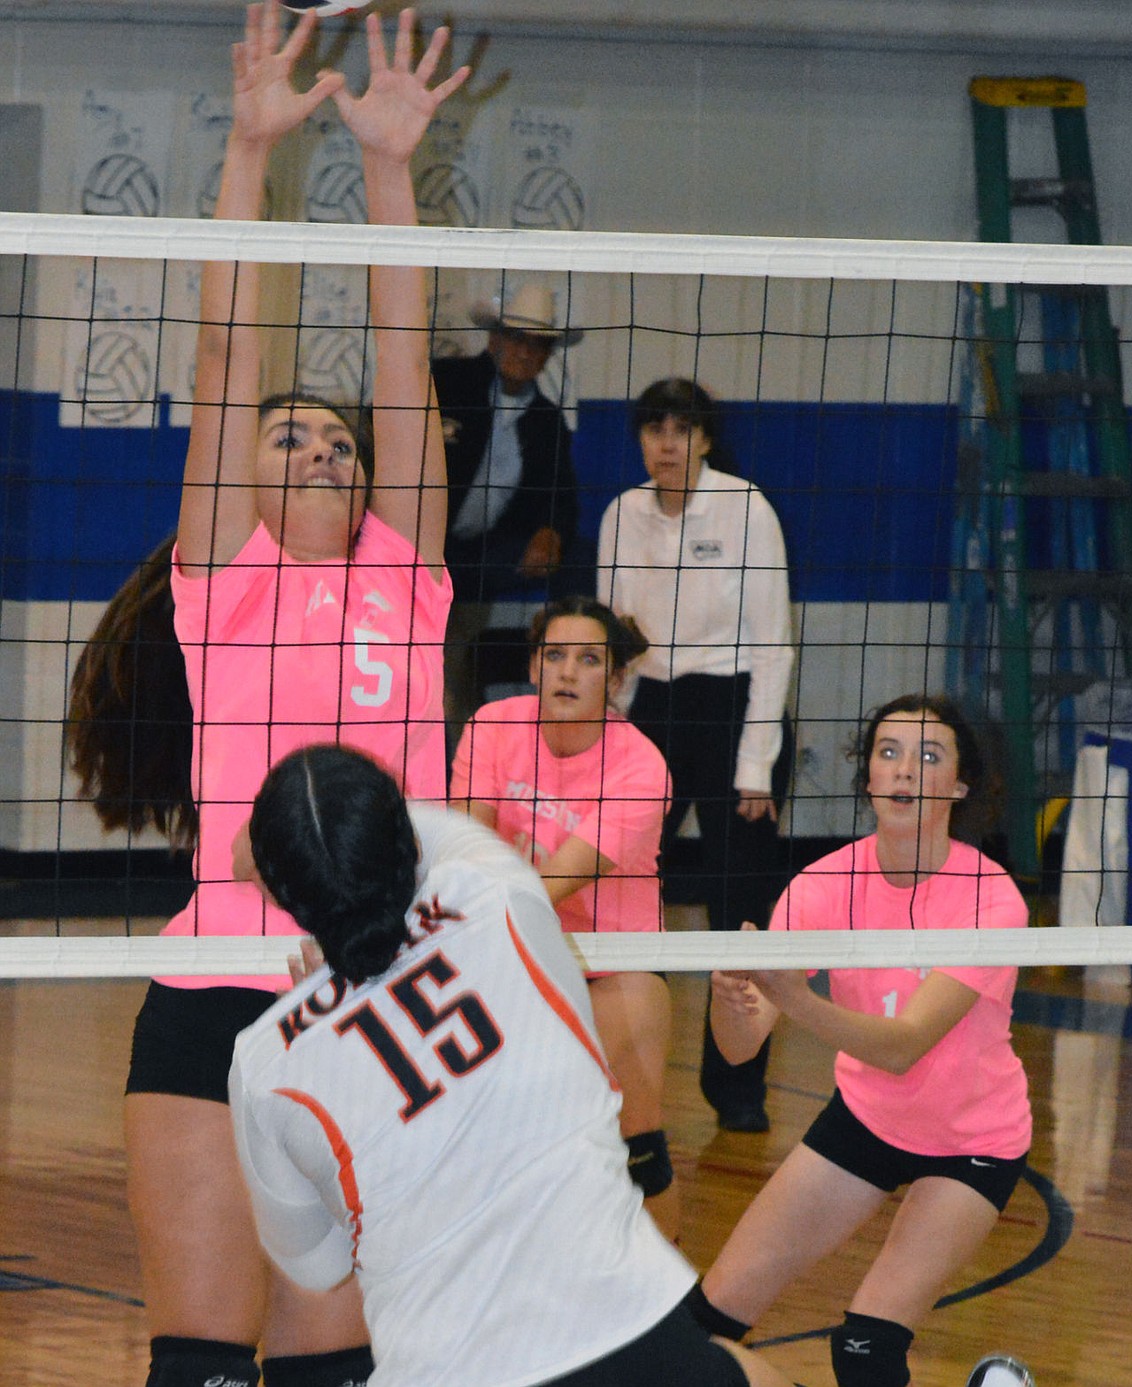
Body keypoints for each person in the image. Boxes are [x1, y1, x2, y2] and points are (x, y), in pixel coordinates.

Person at [66, 8, 468, 1386]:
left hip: (378, 984)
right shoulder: (217, 583)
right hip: (218, 978)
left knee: (331, 1366)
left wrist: (391, 169)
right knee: (196, 1361)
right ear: (249, 473)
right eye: (286, 435)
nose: (312, 444)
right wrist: (248, 149)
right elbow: (225, 357)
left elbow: (401, 354)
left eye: (337, 439)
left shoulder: (409, 581)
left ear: (368, 478)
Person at [229, 742, 795, 1387]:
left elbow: (315, 1266)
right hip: (624, 1332)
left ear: (282, 892)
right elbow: (436, 831)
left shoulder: (265, 1060)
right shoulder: (495, 895)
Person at [686, 694, 1033, 1387]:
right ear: (869, 774)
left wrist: (790, 994)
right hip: (867, 1119)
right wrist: (730, 998)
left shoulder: (991, 898)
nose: (905, 769)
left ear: (959, 786)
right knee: (705, 1328)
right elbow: (740, 1047)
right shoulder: (821, 884)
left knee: (865, 1349)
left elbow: (905, 1044)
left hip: (972, 1141)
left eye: (929, 755)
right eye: (889, 751)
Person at [448, 594, 680, 1240]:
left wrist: (499, 875)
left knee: (637, 1146)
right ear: (533, 666)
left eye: (588, 659)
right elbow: (470, 853)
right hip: (513, 948)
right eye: (555, 656)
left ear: (615, 678)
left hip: (612, 960)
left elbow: (548, 883)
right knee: (501, 1137)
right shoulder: (494, 725)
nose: (568, 672)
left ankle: (671, 1307)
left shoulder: (641, 766)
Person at [597, 376, 795, 1133]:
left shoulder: (748, 508)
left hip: (734, 705)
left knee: (738, 907)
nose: (667, 443)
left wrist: (754, 763)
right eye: (654, 429)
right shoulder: (622, 514)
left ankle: (740, 1088)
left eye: (682, 430)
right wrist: (604, 744)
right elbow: (613, 643)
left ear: (705, 439)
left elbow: (774, 642)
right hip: (649, 710)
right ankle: (610, 1072)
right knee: (615, 889)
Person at [435, 282, 582, 738]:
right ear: (494, 338)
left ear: (548, 354)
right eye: (516, 338)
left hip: (473, 567)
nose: (524, 351)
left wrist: (551, 531)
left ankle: (444, 776)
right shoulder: (443, 382)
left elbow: (562, 496)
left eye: (537, 344)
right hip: (407, 556)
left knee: (448, 670)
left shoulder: (547, 422)